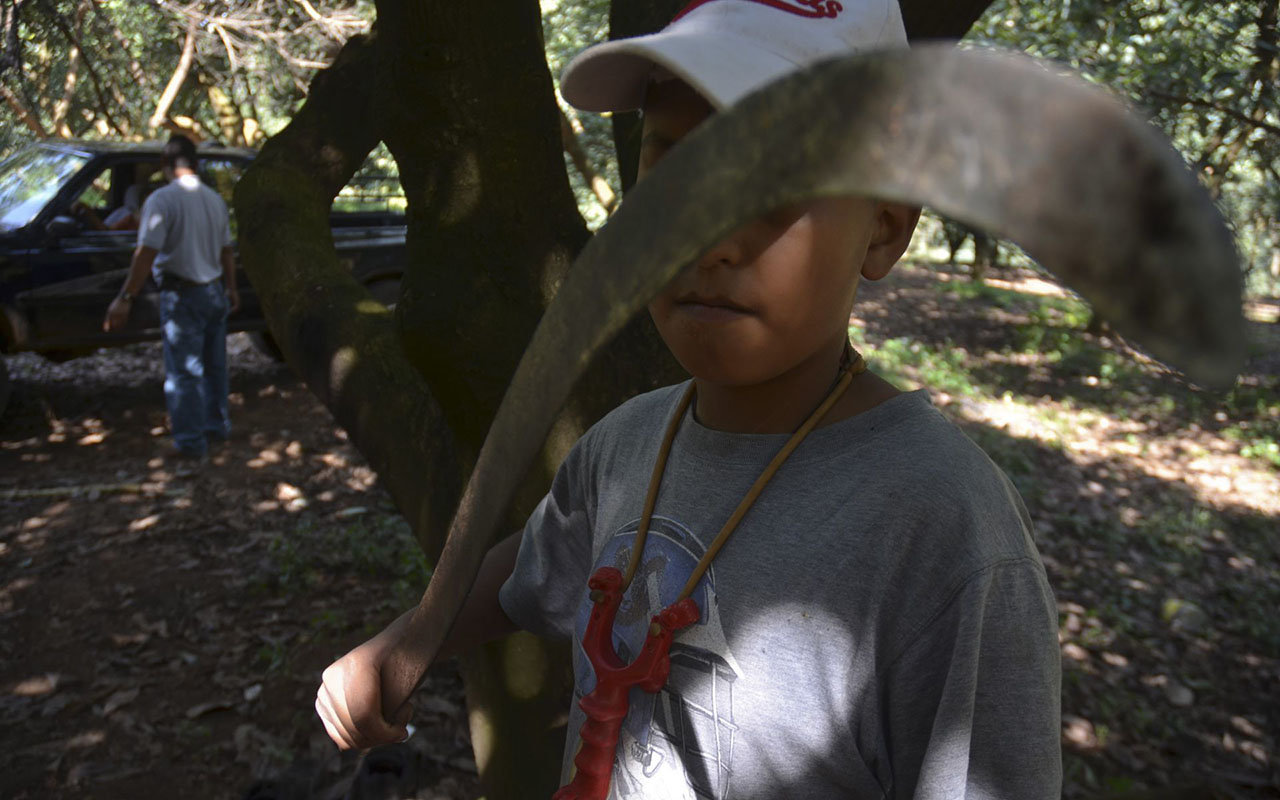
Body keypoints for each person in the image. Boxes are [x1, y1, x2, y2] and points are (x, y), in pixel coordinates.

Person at [316, 1, 1063, 797]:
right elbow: (541, 563)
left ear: (883, 228)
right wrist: (405, 646)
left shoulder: (946, 534)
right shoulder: (627, 444)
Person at [104, 135, 240, 461]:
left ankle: (191, 443)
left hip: (183, 295)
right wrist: (231, 288)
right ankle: (216, 428)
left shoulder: (162, 200)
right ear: (195, 164)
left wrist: (125, 296)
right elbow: (226, 250)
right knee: (214, 367)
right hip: (213, 291)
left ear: (165, 165)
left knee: (184, 373)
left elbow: (146, 252)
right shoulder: (214, 200)